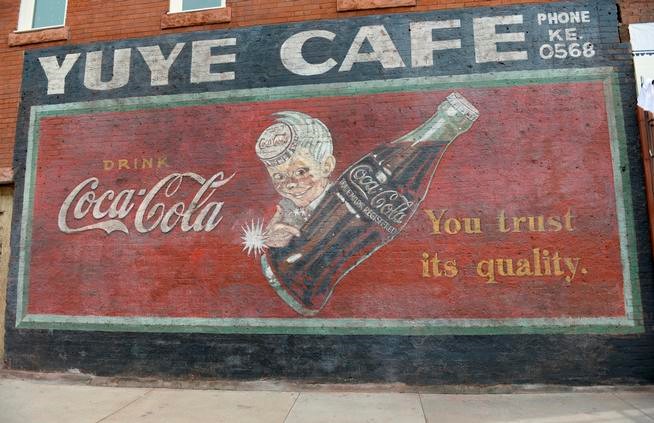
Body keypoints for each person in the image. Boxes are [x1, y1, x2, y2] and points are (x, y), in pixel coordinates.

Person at [255, 111, 335, 248]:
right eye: (279, 177)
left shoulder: (344, 202)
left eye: (300, 172)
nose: (289, 184)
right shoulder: (286, 210)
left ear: (326, 166)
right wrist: (272, 245)